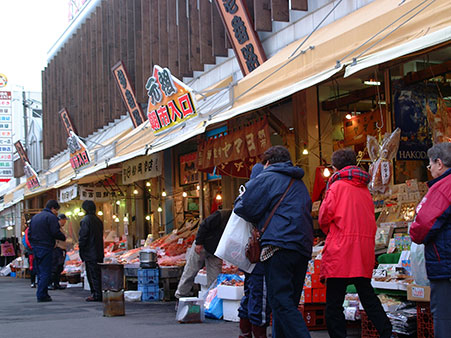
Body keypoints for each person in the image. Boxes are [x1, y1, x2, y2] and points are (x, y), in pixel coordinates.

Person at [234, 145, 313, 338]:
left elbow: (245, 207)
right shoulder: (299, 183)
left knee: (281, 301)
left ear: (268, 162)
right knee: (288, 303)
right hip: (302, 247)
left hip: (279, 246)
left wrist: (239, 201)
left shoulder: (268, 177)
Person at [318, 149, 392, 338]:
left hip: (340, 250)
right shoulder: (364, 189)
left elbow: (324, 217)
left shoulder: (336, 186)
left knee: (334, 303)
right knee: (368, 296)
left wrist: (332, 232)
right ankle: (387, 332)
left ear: (335, 167)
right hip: (362, 249)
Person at [410, 142, 451, 338]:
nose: (430, 169)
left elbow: (423, 225)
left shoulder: (443, 188)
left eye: (430, 165)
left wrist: (413, 232)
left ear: (440, 163)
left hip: (445, 262)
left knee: (444, 317)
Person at [237, 163, 271, 338]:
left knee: (250, 295)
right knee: (260, 299)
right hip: (260, 256)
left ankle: (244, 334)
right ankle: (258, 334)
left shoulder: (244, 195)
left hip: (249, 255)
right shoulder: (260, 196)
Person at [175, 209, 232, 301]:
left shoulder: (239, 221)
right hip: (203, 245)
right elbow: (204, 225)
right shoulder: (221, 215)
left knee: (215, 277)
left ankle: (212, 300)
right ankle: (181, 294)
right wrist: (199, 243)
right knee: (191, 270)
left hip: (216, 251)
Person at [28, 200, 66, 302]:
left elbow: (29, 234)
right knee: (46, 271)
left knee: (40, 271)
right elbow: (55, 232)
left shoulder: (35, 217)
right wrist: (63, 237)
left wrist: (33, 246)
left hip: (36, 248)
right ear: (53, 208)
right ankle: (42, 294)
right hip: (46, 247)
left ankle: (42, 292)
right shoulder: (51, 217)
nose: (56, 213)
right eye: (56, 211)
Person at [78, 200, 104, 302]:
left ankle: (96, 294)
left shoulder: (85, 220)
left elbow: (83, 237)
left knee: (92, 273)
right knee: (97, 273)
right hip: (98, 251)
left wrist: (81, 249)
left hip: (90, 252)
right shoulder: (98, 220)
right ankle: (98, 293)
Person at [49, 214, 68, 290]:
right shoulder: (56, 228)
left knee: (59, 267)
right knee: (55, 266)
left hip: (61, 248)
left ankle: (56, 283)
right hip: (57, 249)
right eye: (64, 220)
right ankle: (50, 283)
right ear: (61, 220)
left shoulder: (60, 228)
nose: (65, 222)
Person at [22, 220, 36, 288]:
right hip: (32, 251)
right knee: (33, 266)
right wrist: (31, 247)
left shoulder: (30, 229)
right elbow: (26, 241)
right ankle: (33, 281)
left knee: (34, 266)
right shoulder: (28, 230)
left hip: (33, 250)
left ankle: (34, 282)